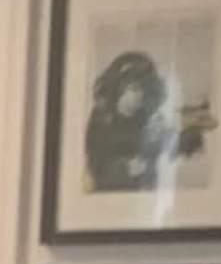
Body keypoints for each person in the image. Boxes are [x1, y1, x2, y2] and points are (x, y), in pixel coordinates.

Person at [81, 47, 211, 202]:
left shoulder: (144, 118)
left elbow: (166, 143)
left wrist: (189, 136)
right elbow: (96, 170)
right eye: (133, 89)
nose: (139, 96)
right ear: (117, 88)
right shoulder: (100, 121)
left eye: (143, 90)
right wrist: (126, 169)